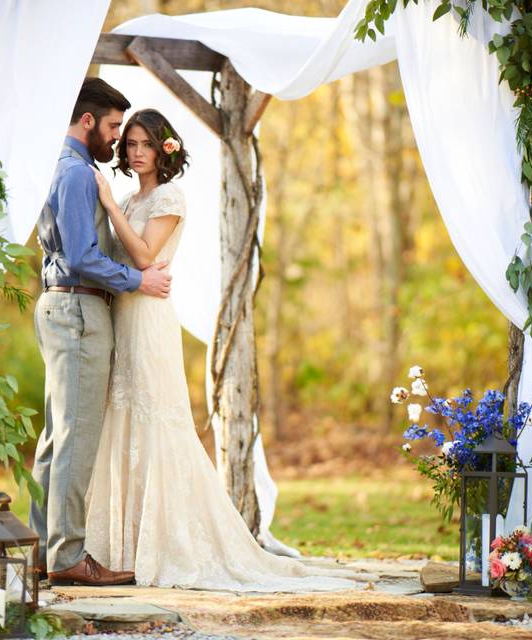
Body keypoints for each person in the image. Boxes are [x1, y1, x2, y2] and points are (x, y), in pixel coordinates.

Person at [84, 108, 357, 591]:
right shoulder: (129, 197)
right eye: (130, 144)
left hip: (148, 323)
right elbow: (118, 261)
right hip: (120, 316)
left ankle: (168, 544)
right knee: (119, 419)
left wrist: (107, 205)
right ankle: (121, 547)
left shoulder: (170, 197)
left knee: (154, 422)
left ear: (164, 147)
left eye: (146, 143)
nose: (137, 152)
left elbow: (146, 256)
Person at [31, 78, 171, 587]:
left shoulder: (71, 168)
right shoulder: (75, 174)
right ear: (87, 121)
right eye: (114, 127)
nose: (117, 139)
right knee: (75, 438)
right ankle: (67, 557)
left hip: (66, 308)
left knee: (56, 438)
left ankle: (43, 552)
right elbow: (81, 257)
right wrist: (138, 279)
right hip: (78, 311)